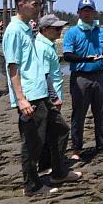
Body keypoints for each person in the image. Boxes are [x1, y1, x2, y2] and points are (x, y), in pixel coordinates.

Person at [3, 0, 81, 196]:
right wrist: (21, 99)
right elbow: (12, 67)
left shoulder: (27, 29)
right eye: (35, 4)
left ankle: (58, 171)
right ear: (21, 4)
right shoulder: (13, 31)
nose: (38, 8)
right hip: (30, 96)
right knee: (32, 143)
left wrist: (51, 94)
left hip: (41, 92)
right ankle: (31, 185)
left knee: (60, 130)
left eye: (40, 4)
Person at [63, 0, 103, 160]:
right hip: (80, 78)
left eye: (90, 10)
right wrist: (86, 59)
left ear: (94, 12)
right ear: (78, 13)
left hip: (99, 77)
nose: (87, 13)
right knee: (79, 115)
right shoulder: (72, 32)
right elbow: (67, 56)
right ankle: (76, 149)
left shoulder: (102, 31)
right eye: (84, 10)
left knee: (101, 113)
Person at [35, 14, 73, 175]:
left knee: (49, 131)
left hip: (49, 95)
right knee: (60, 131)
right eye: (57, 28)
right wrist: (54, 97)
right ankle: (54, 167)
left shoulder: (47, 44)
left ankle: (46, 165)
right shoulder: (42, 47)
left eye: (61, 28)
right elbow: (45, 74)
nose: (60, 31)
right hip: (47, 97)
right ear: (45, 30)